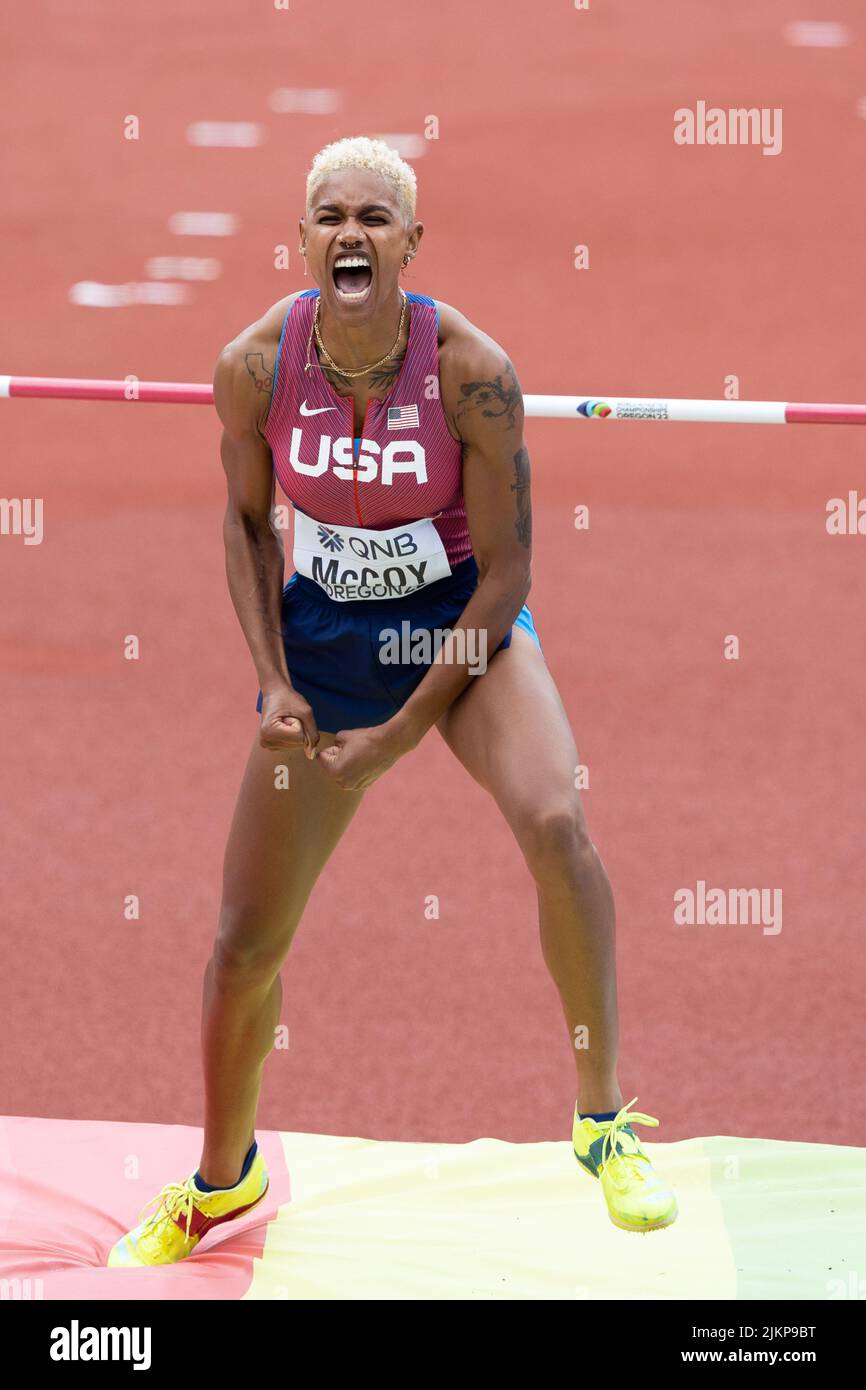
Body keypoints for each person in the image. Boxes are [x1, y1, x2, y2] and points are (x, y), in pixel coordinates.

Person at [108, 136, 676, 1267]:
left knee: (557, 822)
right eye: (329, 215)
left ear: (411, 243)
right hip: (320, 650)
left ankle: (603, 1121)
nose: (350, 232)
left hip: (458, 635)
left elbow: (508, 571)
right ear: (303, 237)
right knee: (242, 944)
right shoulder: (254, 365)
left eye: (375, 215)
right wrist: (273, 681)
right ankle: (224, 1179)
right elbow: (239, 522)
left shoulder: (471, 371)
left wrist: (405, 728)